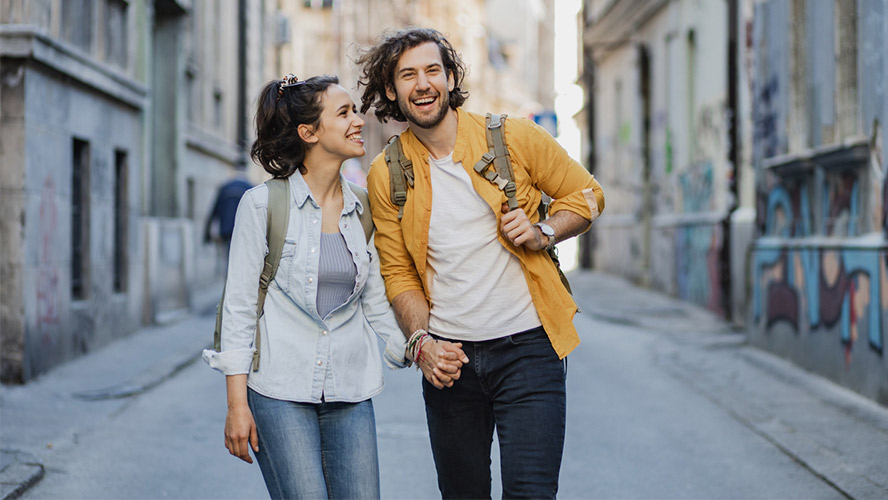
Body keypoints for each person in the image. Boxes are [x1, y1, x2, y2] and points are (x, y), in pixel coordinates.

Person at [356, 28, 605, 499]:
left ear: (450, 78)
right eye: (408, 75)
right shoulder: (385, 173)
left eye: (433, 70)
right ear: (391, 90)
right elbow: (397, 272)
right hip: (451, 361)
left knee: (531, 493)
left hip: (529, 351)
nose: (423, 84)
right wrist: (421, 342)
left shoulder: (513, 137)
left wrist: (542, 231)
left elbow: (588, 193)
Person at [201, 74, 441, 499]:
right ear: (309, 133)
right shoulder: (262, 205)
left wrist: (417, 348)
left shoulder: (363, 207)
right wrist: (237, 406)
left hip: (350, 390)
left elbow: (374, 300)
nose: (359, 120)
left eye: (356, 110)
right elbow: (238, 309)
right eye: (345, 112)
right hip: (278, 389)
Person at [204, 172, 252, 261]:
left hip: (226, 230)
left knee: (228, 259)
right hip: (243, 231)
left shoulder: (225, 187)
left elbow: (215, 210)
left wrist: (207, 234)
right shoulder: (250, 187)